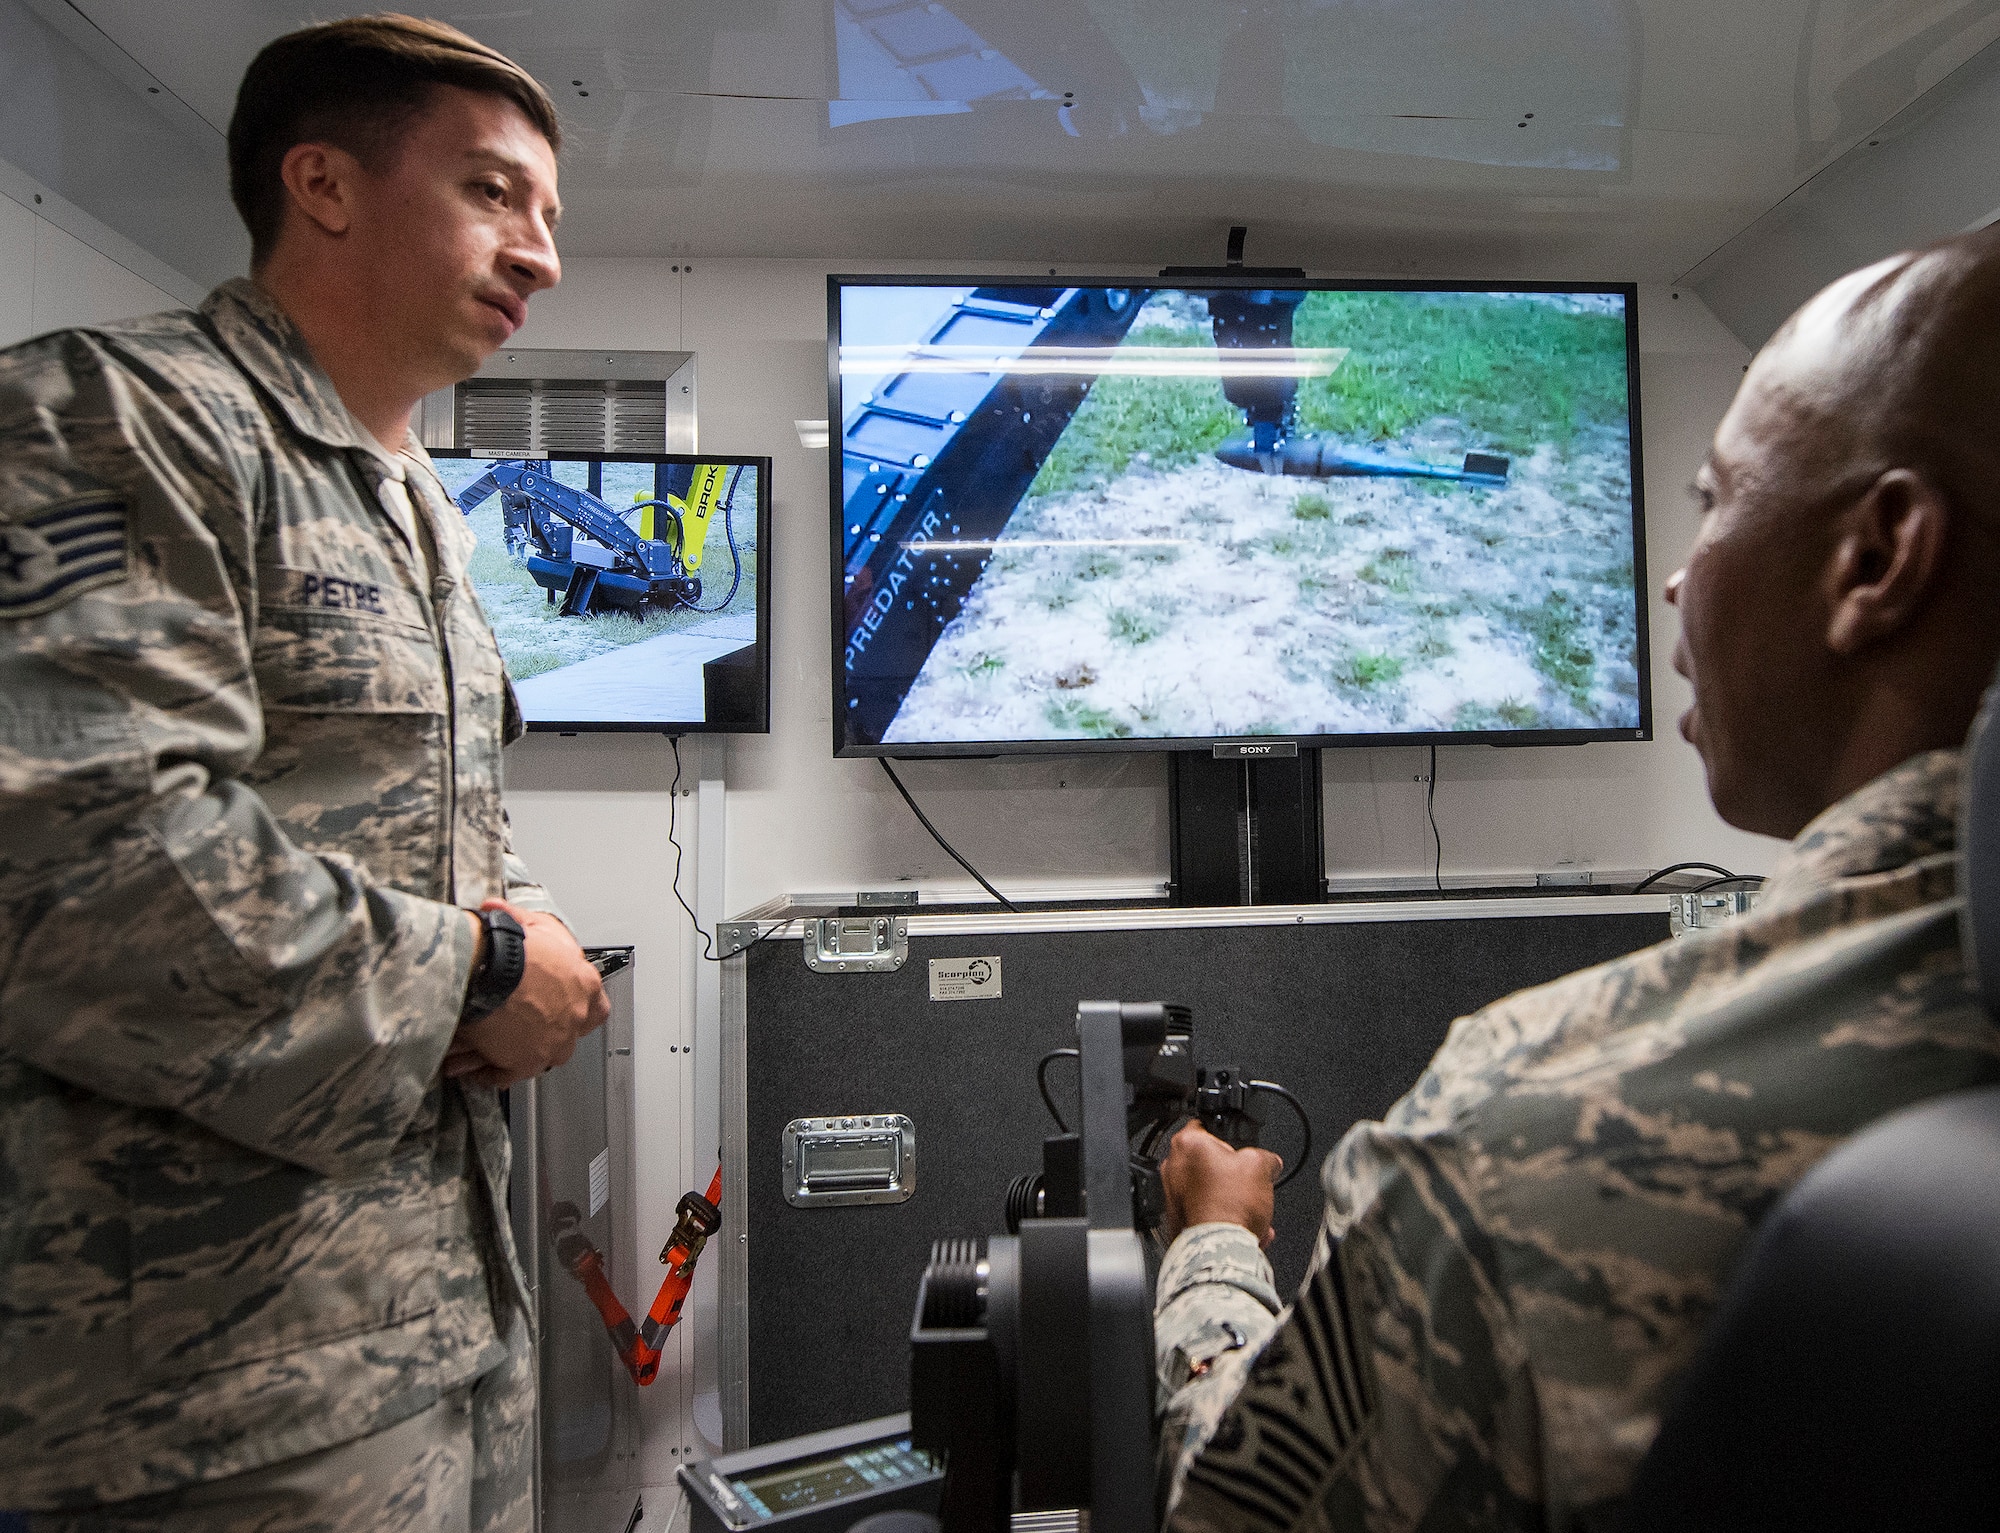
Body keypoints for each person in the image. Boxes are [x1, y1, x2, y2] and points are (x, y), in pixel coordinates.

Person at [1152, 225, 2000, 1532]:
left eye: (1717, 500)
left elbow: (1233, 1511)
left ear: (1879, 558)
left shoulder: (1510, 1139)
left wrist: (1213, 1243)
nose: (1676, 572)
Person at [0, 16, 608, 1531]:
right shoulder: (116, 419)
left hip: (439, 1325)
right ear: (323, 183)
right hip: (211, 1392)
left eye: (550, 215)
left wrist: (524, 921)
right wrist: (479, 971)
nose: (539, 252)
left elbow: (432, 819)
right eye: (492, 193)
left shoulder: (423, 512)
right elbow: (85, 869)